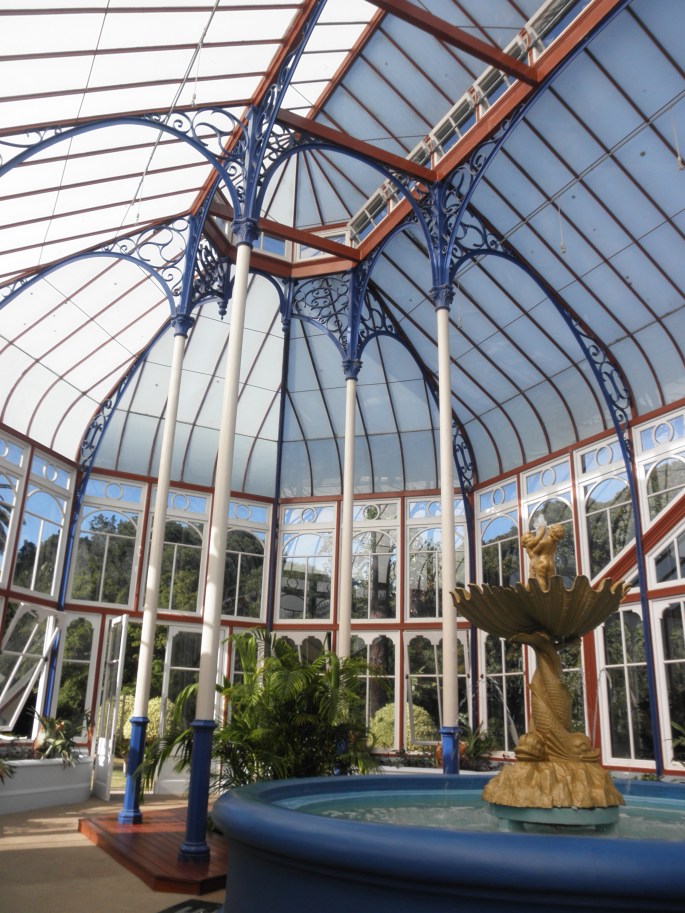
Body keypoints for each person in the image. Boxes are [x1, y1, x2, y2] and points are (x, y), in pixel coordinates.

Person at [521, 522, 564, 591]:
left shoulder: (543, 542)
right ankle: (531, 591)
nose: (533, 537)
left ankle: (544, 594)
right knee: (542, 579)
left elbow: (537, 547)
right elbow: (537, 539)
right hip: (549, 562)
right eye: (530, 536)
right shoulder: (529, 546)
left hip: (541, 562)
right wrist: (543, 529)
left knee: (540, 579)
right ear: (526, 541)